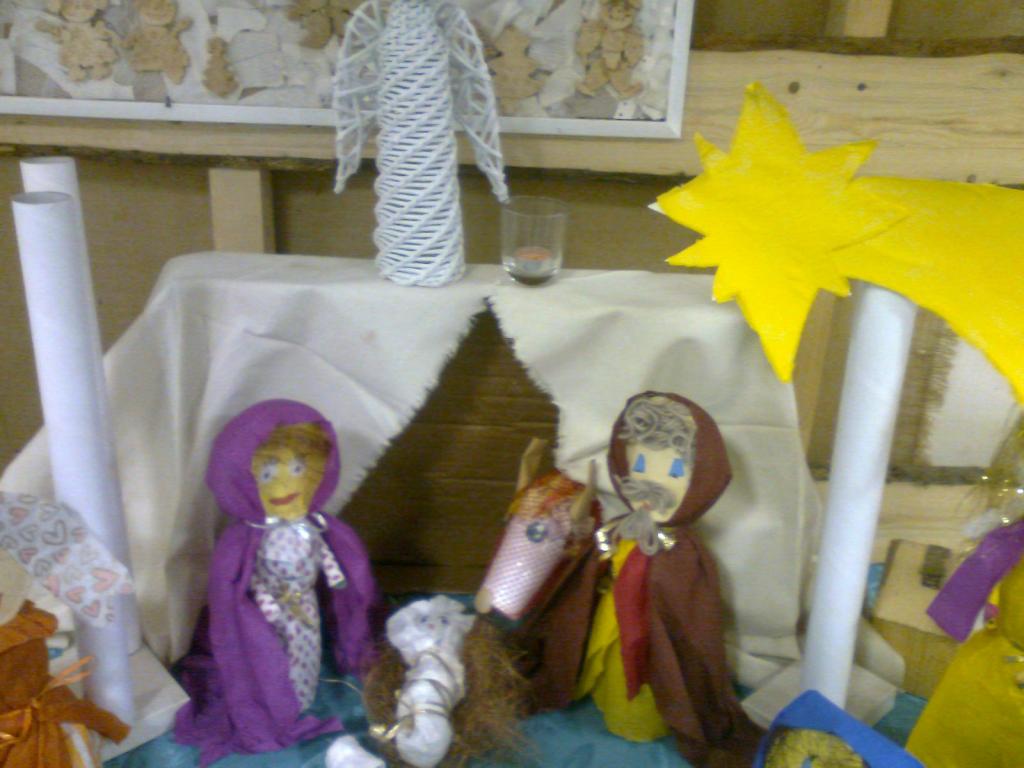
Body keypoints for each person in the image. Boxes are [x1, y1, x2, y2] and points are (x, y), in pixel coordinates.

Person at [525, 392, 762, 767]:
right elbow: (592, 566)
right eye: (639, 464)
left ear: (701, 480)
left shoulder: (683, 553)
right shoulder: (622, 528)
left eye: (674, 471)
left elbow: (692, 620)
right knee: (607, 673)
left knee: (644, 692)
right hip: (609, 623)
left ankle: (643, 718)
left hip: (652, 642)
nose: (652, 483)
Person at [174, 399, 381, 766]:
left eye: (298, 468)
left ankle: (302, 694)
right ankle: (279, 702)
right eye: (268, 473)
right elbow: (236, 589)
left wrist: (336, 579)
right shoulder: (244, 539)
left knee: (305, 654)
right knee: (273, 657)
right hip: (271, 612)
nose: (286, 483)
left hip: (306, 607)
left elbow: (331, 558)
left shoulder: (315, 526)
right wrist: (269, 605)